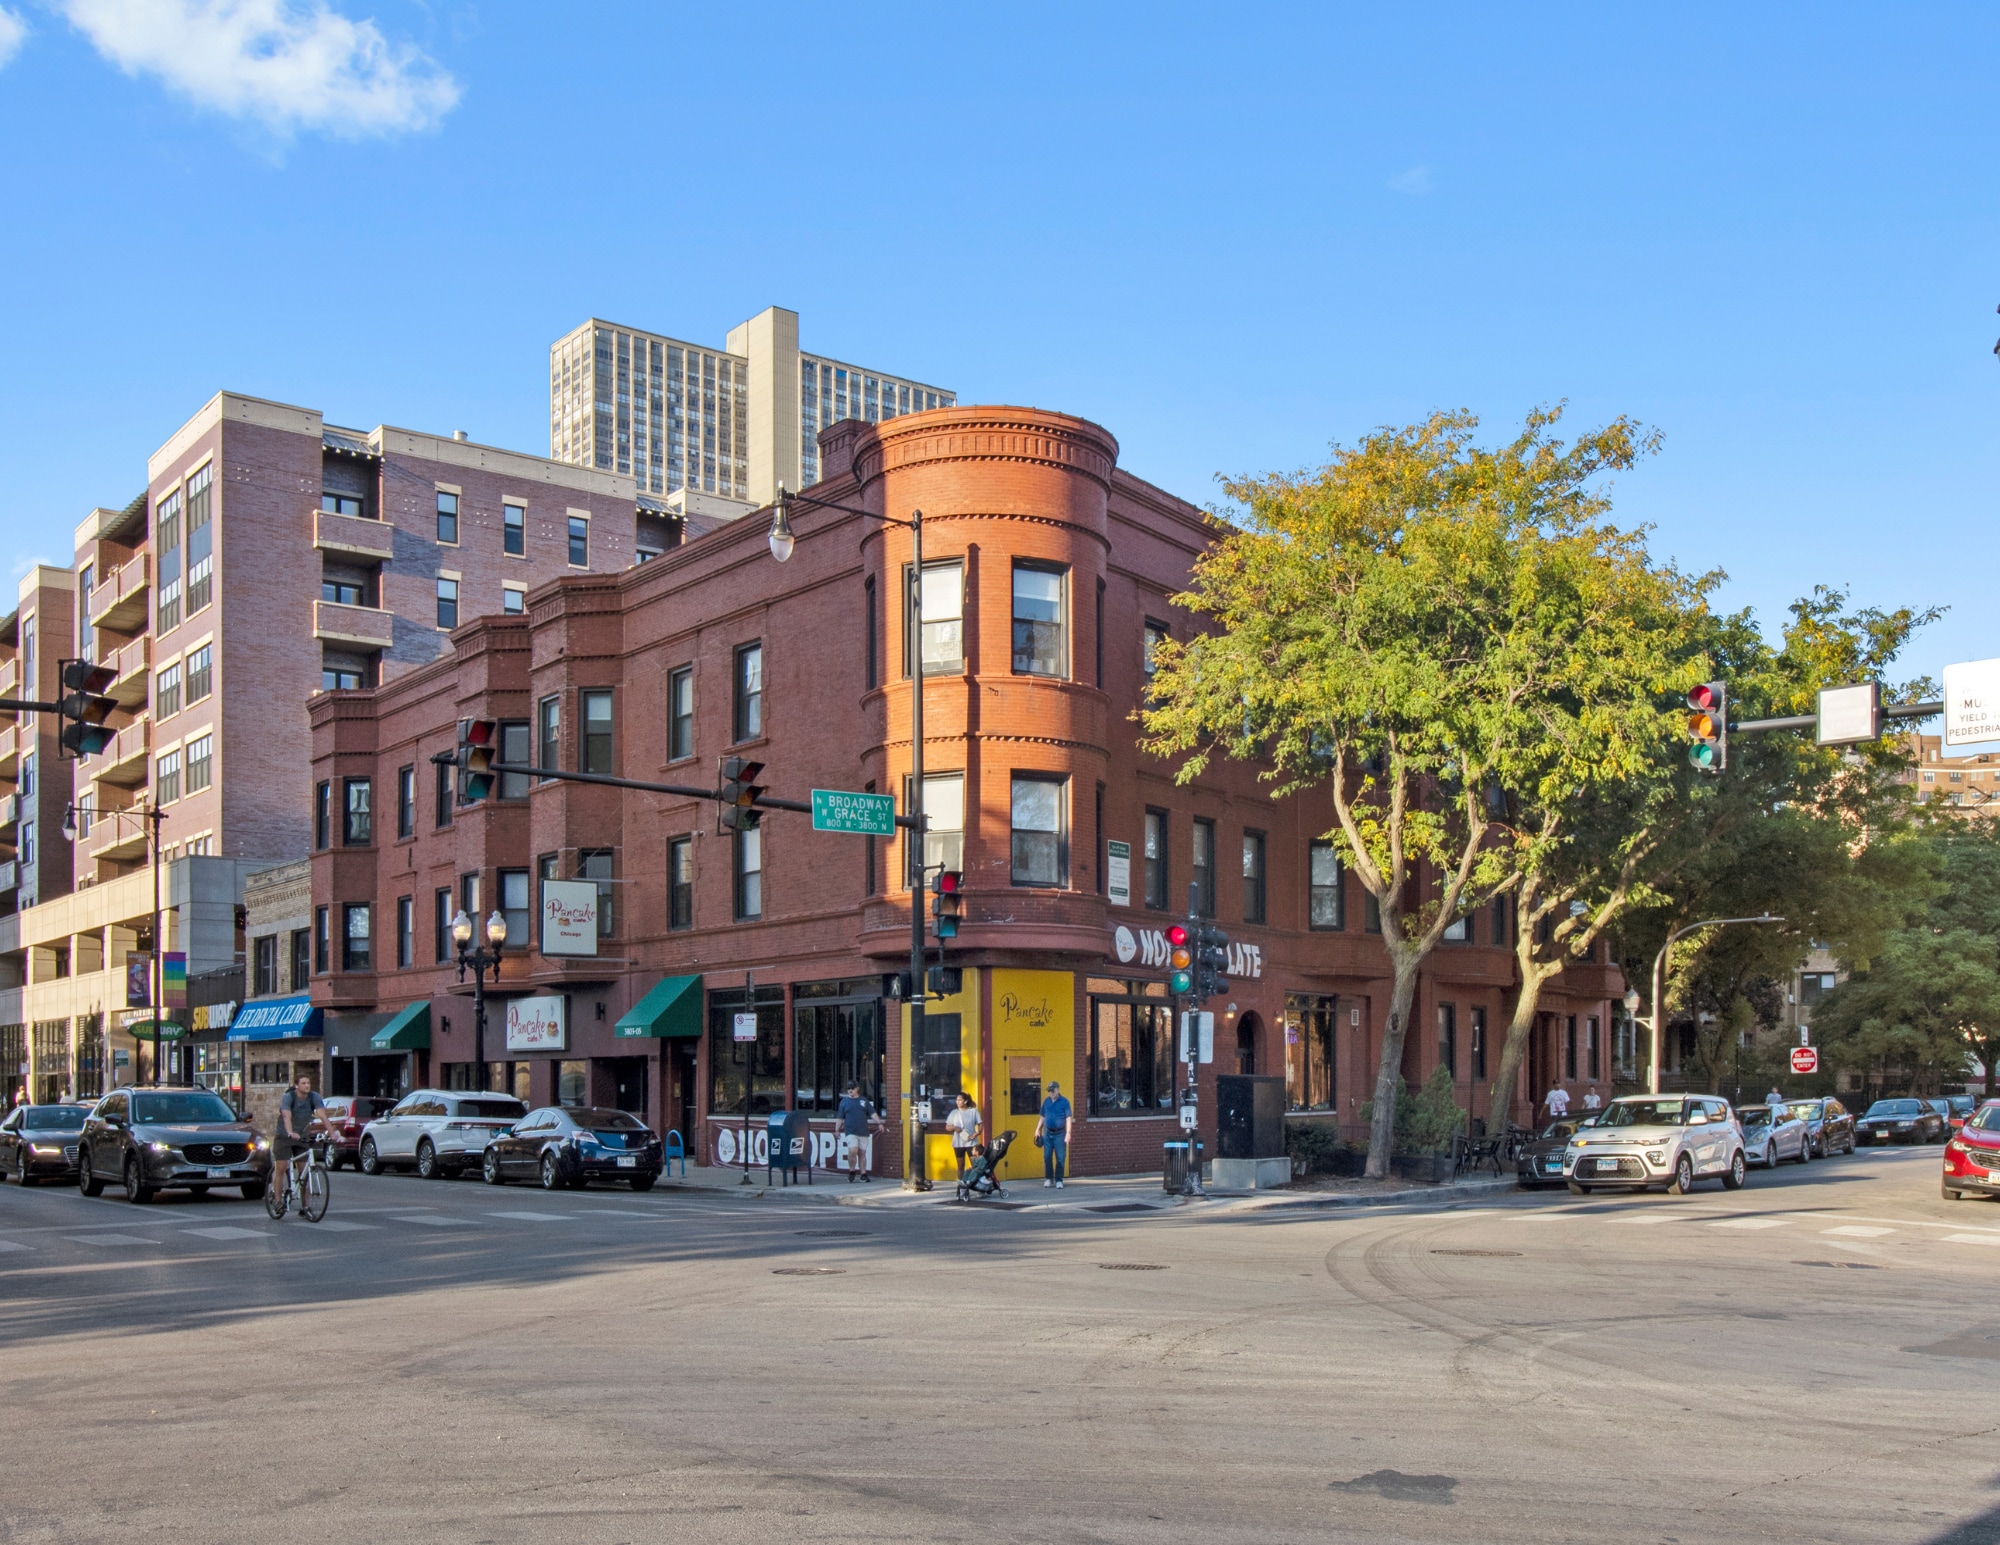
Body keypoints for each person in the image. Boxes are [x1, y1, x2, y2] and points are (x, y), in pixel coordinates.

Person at [274, 1072, 325, 1209]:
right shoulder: (289, 1097)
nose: (307, 1085)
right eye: (304, 1083)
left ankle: (305, 1207)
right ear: (297, 1085)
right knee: (281, 1167)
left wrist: (331, 1132)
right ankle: (278, 1202)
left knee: (304, 1172)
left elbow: (322, 1115)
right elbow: (286, 1117)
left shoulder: (313, 1097)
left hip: (301, 1137)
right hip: (284, 1136)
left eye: (308, 1083)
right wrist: (290, 1132)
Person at [836, 1083, 878, 1183]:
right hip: (850, 1130)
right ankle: (852, 1171)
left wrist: (879, 1123)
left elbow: (872, 1113)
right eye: (848, 1088)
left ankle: (863, 1174)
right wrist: (837, 1129)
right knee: (853, 1150)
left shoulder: (863, 1101)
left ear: (857, 1089)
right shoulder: (844, 1102)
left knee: (862, 1153)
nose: (850, 1090)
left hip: (863, 1131)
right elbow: (840, 1117)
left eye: (852, 1088)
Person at [1036, 1079, 1072, 1188]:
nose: (1051, 1093)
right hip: (1047, 1132)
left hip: (1060, 1133)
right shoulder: (1046, 1102)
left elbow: (1068, 1118)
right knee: (1047, 1157)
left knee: (1060, 1157)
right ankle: (1049, 1178)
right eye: (1049, 1091)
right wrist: (1037, 1129)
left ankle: (1059, 1180)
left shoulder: (1064, 1102)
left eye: (1053, 1091)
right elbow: (1042, 1116)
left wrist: (1068, 1133)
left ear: (1057, 1090)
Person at [945, 1091, 983, 1177]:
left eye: (959, 1100)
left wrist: (977, 1133)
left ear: (965, 1101)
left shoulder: (973, 1111)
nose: (957, 1102)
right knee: (960, 1165)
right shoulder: (954, 1113)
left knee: (975, 1164)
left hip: (971, 1142)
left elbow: (980, 1124)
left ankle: (976, 1183)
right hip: (958, 1143)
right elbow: (947, 1127)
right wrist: (954, 1128)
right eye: (956, 1100)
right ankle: (961, 1185)